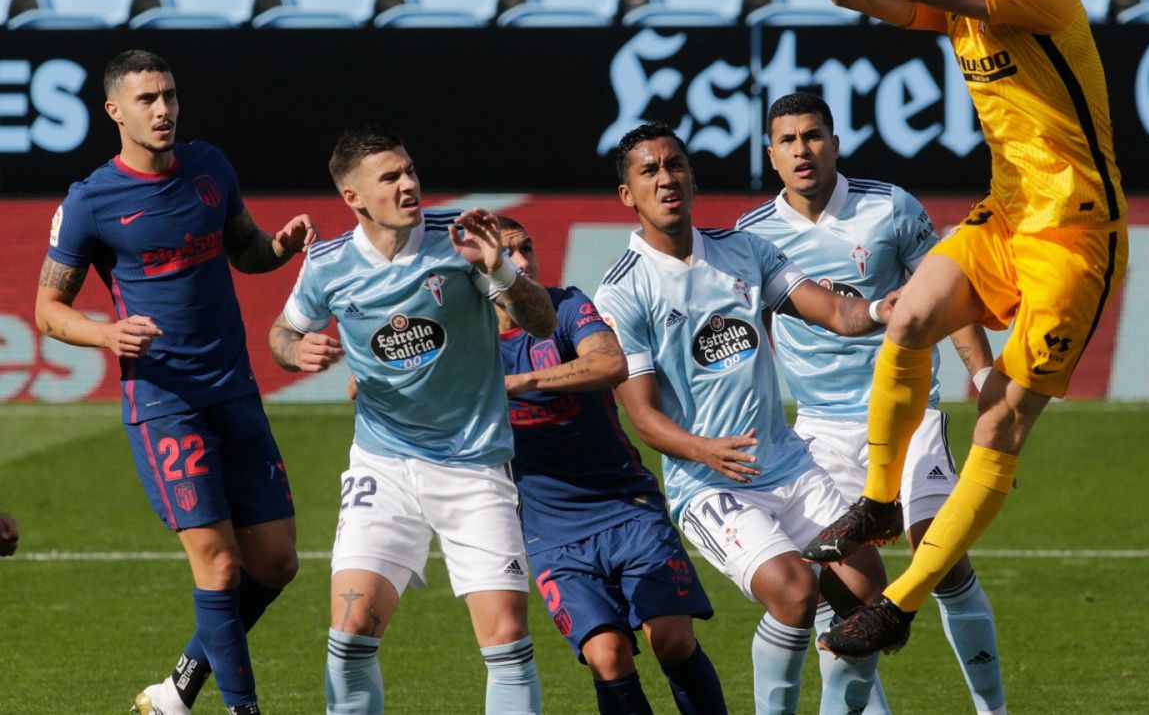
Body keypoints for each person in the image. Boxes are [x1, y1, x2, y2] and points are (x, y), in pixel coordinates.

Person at [758, 0, 1128, 656]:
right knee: (910, 317)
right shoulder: (970, 10)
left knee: (999, 425)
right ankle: (883, 501)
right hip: (1005, 216)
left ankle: (900, 601)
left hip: (1073, 239)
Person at [33, 50, 310, 715]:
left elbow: (242, 248)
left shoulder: (210, 168)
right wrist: (105, 334)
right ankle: (243, 710)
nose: (163, 110)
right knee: (216, 565)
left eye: (170, 96)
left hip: (235, 391)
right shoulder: (90, 202)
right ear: (114, 111)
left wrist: (278, 247)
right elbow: (47, 309)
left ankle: (177, 691)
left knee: (274, 562)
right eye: (148, 99)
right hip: (165, 401)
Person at [594, 122, 892, 715]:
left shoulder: (744, 251)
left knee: (866, 595)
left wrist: (887, 306)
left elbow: (833, 309)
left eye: (674, 165)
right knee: (794, 590)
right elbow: (644, 418)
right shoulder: (622, 292)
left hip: (788, 464)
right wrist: (705, 451)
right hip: (709, 484)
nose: (665, 178)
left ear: (692, 176)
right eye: (648, 170)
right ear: (628, 195)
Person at [269, 125, 555, 715]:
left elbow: (542, 323)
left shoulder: (460, 240)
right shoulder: (327, 265)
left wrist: (501, 270)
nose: (408, 184)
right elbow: (282, 331)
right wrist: (295, 351)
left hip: (473, 466)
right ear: (353, 198)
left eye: (410, 171)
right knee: (349, 635)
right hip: (385, 464)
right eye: (390, 177)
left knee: (506, 638)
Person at [736, 92, 1006, 714]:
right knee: (848, 599)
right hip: (821, 432)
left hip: (909, 414)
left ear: (834, 142)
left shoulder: (889, 207)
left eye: (813, 136)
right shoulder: (752, 239)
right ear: (770, 155)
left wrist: (984, 373)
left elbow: (949, 296)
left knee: (942, 556)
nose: (802, 150)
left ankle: (994, 711)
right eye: (788, 140)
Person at [494, 216, 728, 715]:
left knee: (671, 639)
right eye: (505, 254)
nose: (521, 262)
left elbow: (609, 364)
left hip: (627, 508)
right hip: (551, 532)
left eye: (526, 248)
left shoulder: (567, 307)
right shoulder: (469, 342)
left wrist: (520, 383)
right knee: (607, 656)